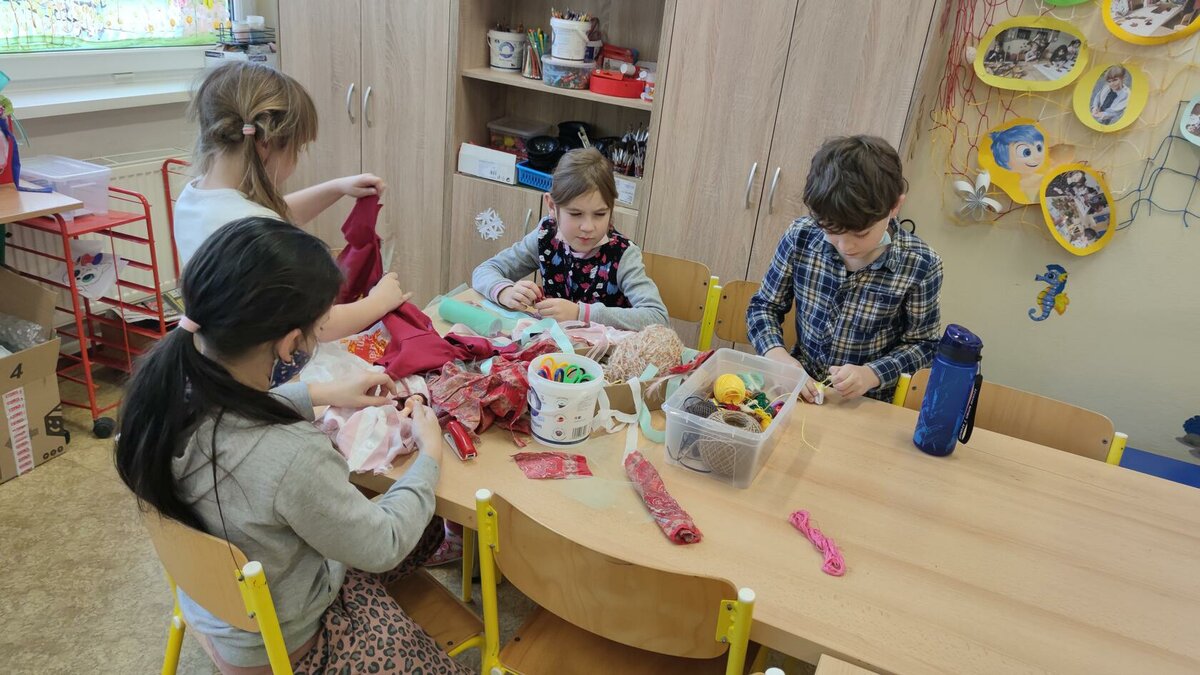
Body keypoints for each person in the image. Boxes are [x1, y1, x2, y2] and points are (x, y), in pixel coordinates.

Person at [115, 217, 470, 674]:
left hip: (213, 607)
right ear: (289, 346)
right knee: (416, 523)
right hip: (285, 646)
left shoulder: (159, 396)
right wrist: (429, 455)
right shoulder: (294, 456)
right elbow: (383, 544)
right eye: (317, 328)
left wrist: (321, 393)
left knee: (417, 526)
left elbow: (230, 421)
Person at [174, 61, 407, 341]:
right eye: (298, 148)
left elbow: (269, 217)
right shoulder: (254, 230)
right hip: (261, 358)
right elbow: (317, 327)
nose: (297, 158)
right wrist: (380, 301)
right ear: (265, 143)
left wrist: (337, 188)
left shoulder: (195, 197)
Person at [745, 136, 943, 403]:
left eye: (861, 234)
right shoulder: (801, 236)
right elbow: (763, 307)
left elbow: (924, 345)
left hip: (868, 401)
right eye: (831, 231)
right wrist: (778, 358)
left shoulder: (920, 264)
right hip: (801, 388)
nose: (846, 246)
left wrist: (871, 374)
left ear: (895, 206)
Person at [471, 148, 668, 330]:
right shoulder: (545, 235)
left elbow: (658, 317)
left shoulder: (623, 255)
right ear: (552, 206)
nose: (588, 227)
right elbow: (484, 270)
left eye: (600, 214)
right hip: (553, 348)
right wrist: (505, 291)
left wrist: (580, 313)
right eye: (575, 214)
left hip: (604, 354)